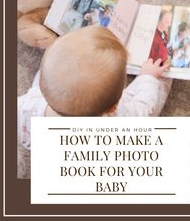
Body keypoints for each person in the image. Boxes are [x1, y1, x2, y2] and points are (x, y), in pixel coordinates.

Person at [18, 26, 172, 150]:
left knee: (57, 70)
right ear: (113, 108)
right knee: (157, 86)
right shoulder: (122, 116)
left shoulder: (25, 107)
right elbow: (144, 107)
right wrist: (148, 77)